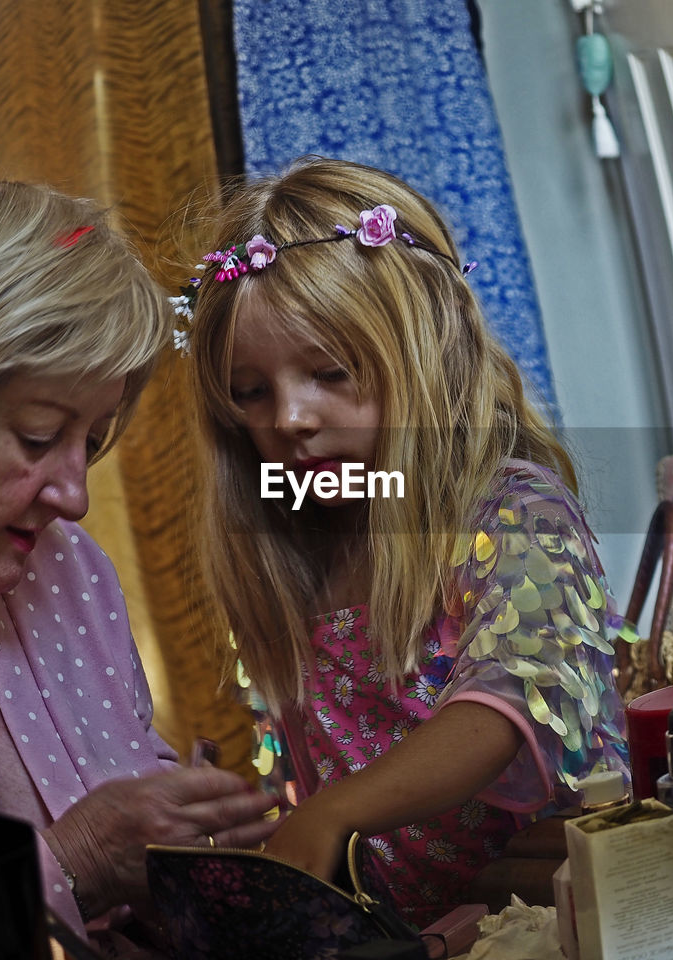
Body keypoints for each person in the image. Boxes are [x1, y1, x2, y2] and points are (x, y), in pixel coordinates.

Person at [184, 157, 631, 924]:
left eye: (330, 372)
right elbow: (297, 770)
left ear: (429, 353)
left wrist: (329, 816)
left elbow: (506, 707)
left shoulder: (516, 515)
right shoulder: (299, 553)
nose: (287, 418)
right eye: (251, 392)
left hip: (556, 917)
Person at [0, 177, 280, 951]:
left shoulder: (73, 573)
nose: (73, 496)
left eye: (90, 442)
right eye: (36, 436)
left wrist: (189, 848)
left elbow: (130, 779)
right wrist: (79, 859)